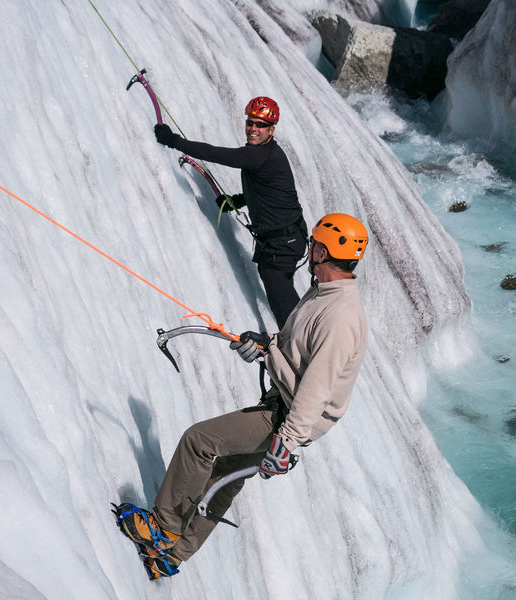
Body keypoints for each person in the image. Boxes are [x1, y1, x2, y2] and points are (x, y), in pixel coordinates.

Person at [115, 213, 369, 580]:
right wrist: (267, 345)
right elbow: (297, 350)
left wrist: (286, 442)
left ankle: (161, 527)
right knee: (226, 474)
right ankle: (171, 557)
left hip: (290, 416)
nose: (309, 247)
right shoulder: (323, 292)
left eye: (314, 243)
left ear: (323, 252)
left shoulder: (339, 317)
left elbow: (316, 389)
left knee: (199, 442)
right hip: (288, 406)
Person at [153, 96, 307, 329]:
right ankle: (299, 345)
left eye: (261, 124)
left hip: (281, 245)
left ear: (271, 129)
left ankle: (298, 352)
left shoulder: (259, 155)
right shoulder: (268, 153)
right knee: (284, 299)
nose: (253, 128)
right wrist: (238, 200)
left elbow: (220, 155)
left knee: (284, 307)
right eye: (250, 122)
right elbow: (268, 190)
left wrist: (176, 141)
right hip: (285, 240)